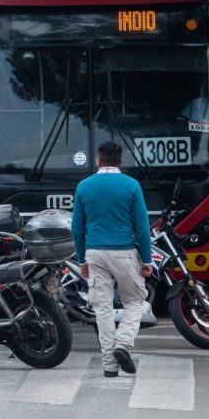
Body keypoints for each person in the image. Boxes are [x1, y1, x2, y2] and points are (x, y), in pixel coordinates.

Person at [71, 140, 152, 378]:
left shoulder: (84, 186)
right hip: (125, 252)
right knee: (135, 302)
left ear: (98, 160)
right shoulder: (132, 185)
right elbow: (142, 228)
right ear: (121, 162)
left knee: (102, 309)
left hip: (94, 253)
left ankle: (109, 366)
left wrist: (81, 260)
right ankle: (123, 344)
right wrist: (146, 260)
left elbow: (77, 229)